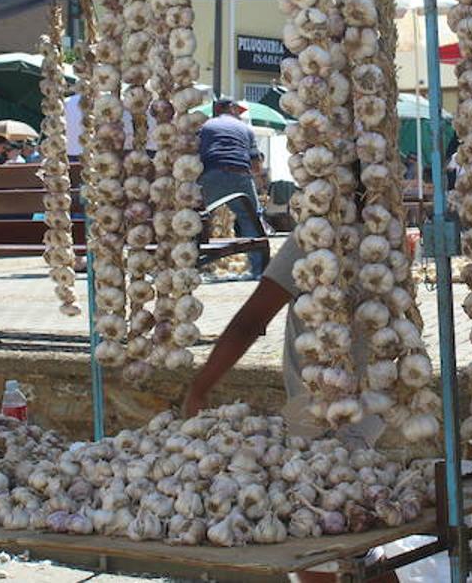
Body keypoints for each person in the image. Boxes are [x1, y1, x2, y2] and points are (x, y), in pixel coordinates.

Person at [183, 233, 390, 583]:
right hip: (371, 413)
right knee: (354, 538)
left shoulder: (311, 240)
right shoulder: (384, 235)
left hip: (319, 417)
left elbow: (252, 319)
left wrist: (199, 387)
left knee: (312, 543)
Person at [198, 97, 267, 279]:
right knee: (251, 219)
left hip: (212, 174)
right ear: (232, 109)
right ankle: (258, 270)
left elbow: (197, 154)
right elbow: (256, 166)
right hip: (241, 175)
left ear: (216, 110)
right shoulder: (246, 129)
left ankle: (193, 265)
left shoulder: (207, 126)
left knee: (197, 218)